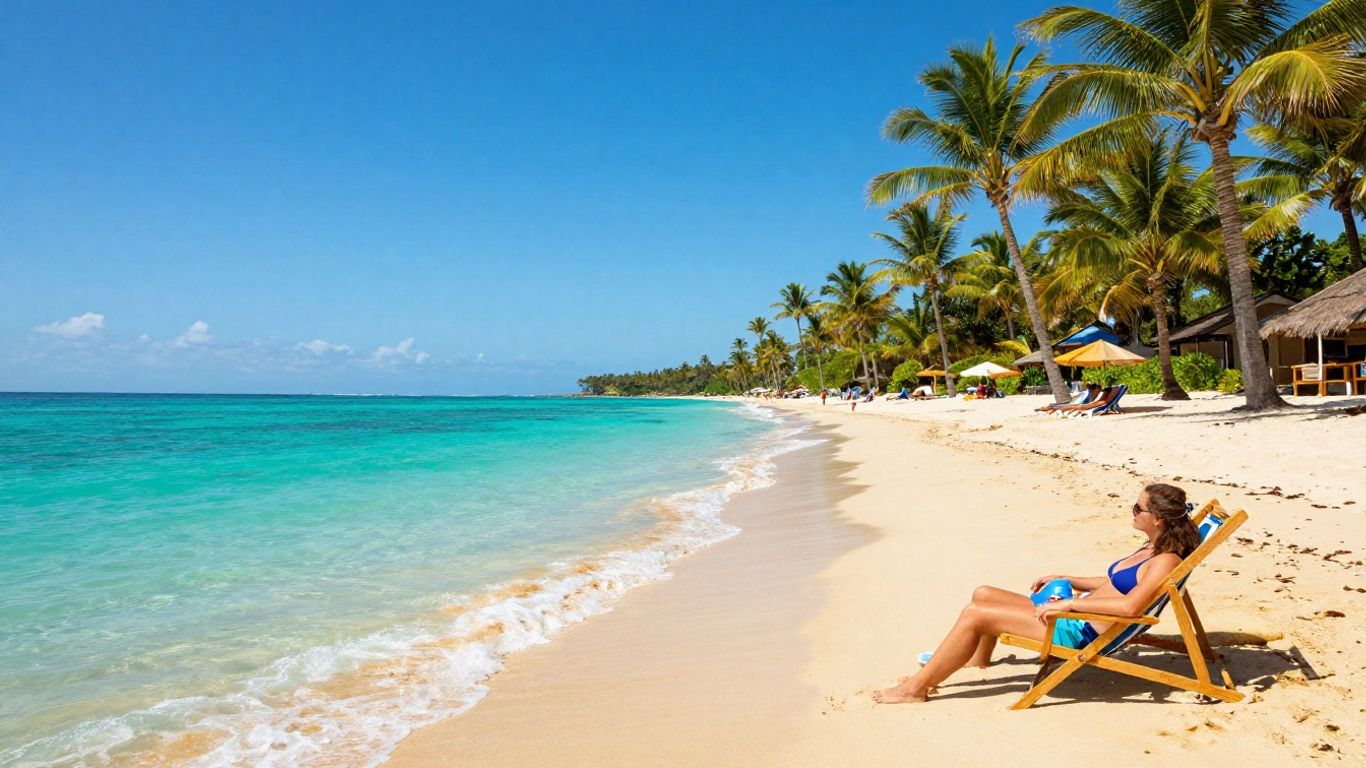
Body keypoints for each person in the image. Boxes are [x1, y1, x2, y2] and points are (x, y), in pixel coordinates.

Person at [871, 483, 1201, 704]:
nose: (1131, 511)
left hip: (1079, 630)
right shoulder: (1153, 547)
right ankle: (976, 659)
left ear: (1157, 518)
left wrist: (1071, 604)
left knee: (976, 614)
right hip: (1078, 615)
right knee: (983, 593)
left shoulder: (1164, 559)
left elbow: (1131, 606)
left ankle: (914, 689)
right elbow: (1117, 582)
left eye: (1137, 508)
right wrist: (1068, 578)